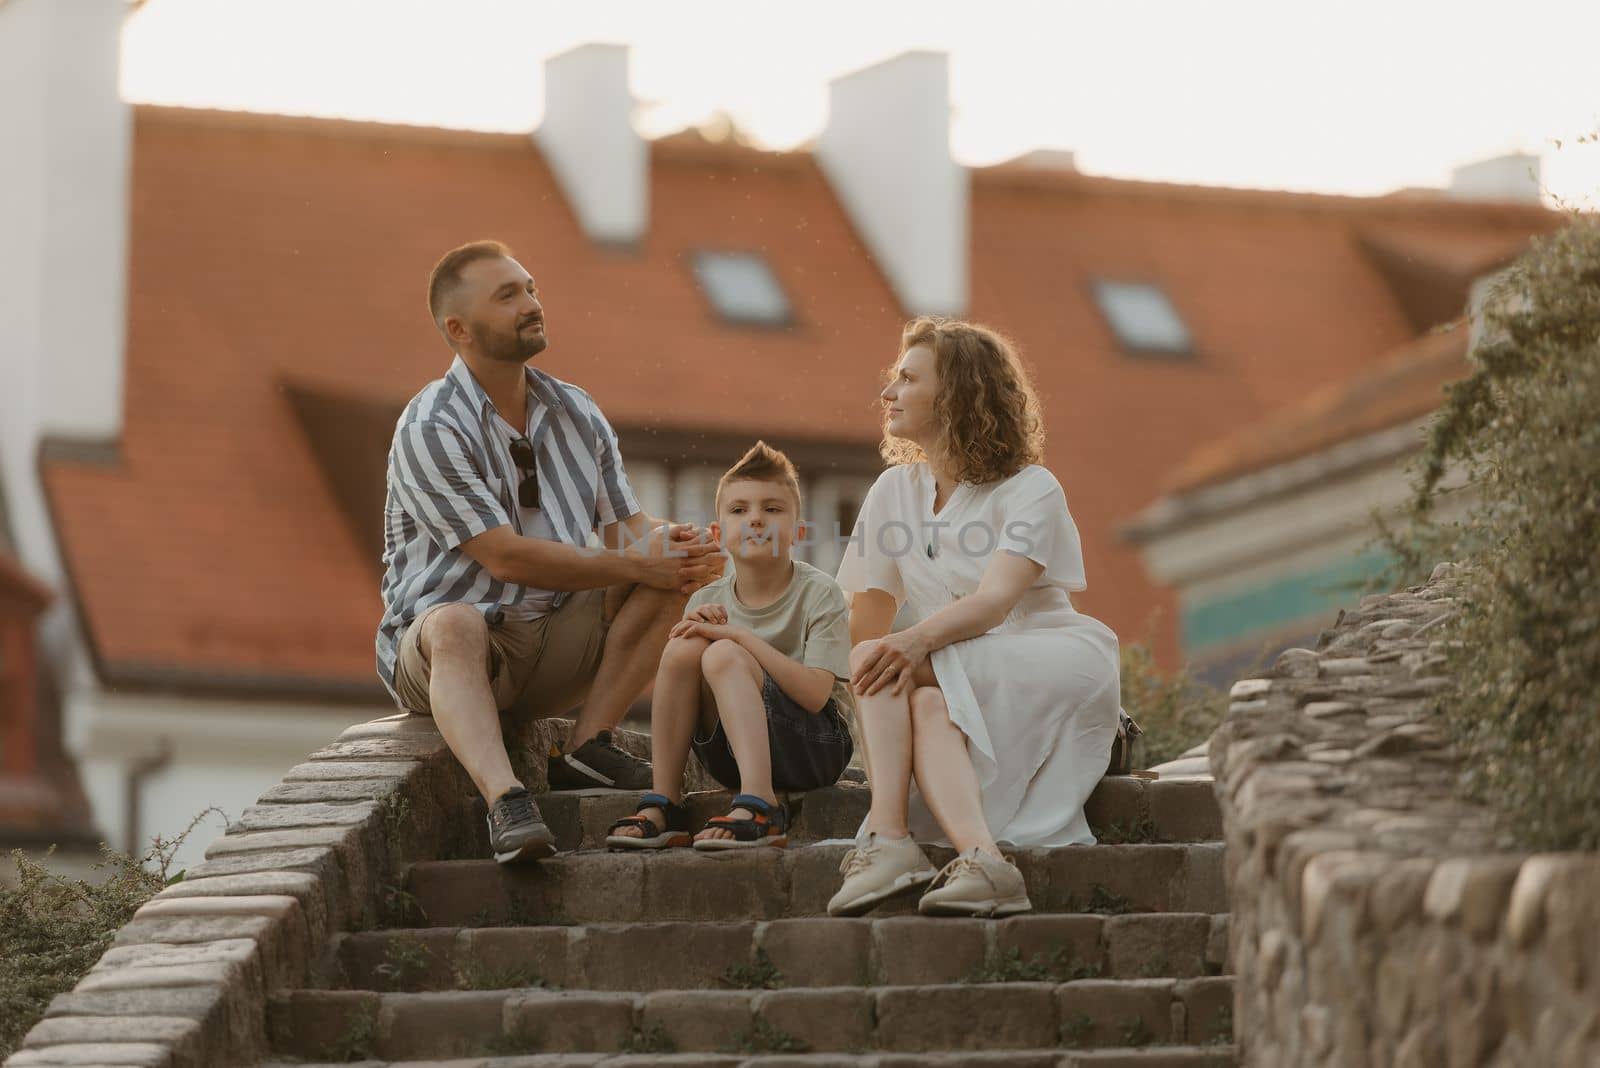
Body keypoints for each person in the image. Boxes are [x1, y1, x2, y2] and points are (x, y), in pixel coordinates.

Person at [376, 240, 723, 864]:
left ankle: (587, 748)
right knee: (455, 621)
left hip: (553, 638)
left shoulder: (577, 411)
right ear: (459, 329)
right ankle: (508, 803)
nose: (532, 304)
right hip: (450, 655)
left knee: (675, 571)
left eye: (530, 288)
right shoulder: (431, 425)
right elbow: (505, 558)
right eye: (507, 296)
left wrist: (699, 545)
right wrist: (642, 560)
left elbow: (628, 534)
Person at [826, 317, 1121, 917]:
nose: (888, 394)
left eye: (907, 379)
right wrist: (857, 696)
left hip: (1047, 655)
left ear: (956, 393)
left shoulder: (1033, 488)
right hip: (948, 663)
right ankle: (984, 861)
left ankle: (887, 840)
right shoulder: (893, 492)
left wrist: (905, 648)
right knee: (916, 692)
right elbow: (865, 615)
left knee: (892, 663)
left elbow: (994, 604)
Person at [606, 442, 856, 851]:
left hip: (815, 747)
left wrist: (741, 638)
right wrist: (699, 636)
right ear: (720, 533)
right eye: (740, 510)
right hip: (730, 753)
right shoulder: (707, 599)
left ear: (799, 532)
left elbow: (814, 695)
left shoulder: (820, 593)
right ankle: (665, 801)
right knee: (684, 647)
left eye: (772, 510)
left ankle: (762, 805)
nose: (756, 519)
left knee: (722, 652)